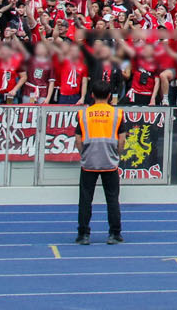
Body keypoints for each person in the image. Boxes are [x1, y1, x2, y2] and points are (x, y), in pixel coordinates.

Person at [75, 82, 126, 245]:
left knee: (85, 199)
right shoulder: (116, 114)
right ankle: (114, 233)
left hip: (89, 161)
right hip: (109, 161)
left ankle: (83, 234)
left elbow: (78, 140)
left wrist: (84, 154)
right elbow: (122, 139)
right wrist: (116, 154)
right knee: (112, 199)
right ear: (110, 95)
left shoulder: (84, 114)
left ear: (92, 95)